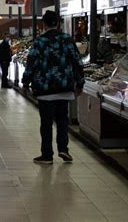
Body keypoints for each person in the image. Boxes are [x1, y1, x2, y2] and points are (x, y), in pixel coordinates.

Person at [22, 10, 85, 164]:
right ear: (58, 23)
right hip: (64, 88)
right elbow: (77, 61)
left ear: (43, 24)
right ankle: (63, 149)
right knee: (62, 120)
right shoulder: (67, 40)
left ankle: (47, 155)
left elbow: (31, 62)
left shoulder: (39, 41)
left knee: (46, 123)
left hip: (45, 89)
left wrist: (25, 82)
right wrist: (80, 82)